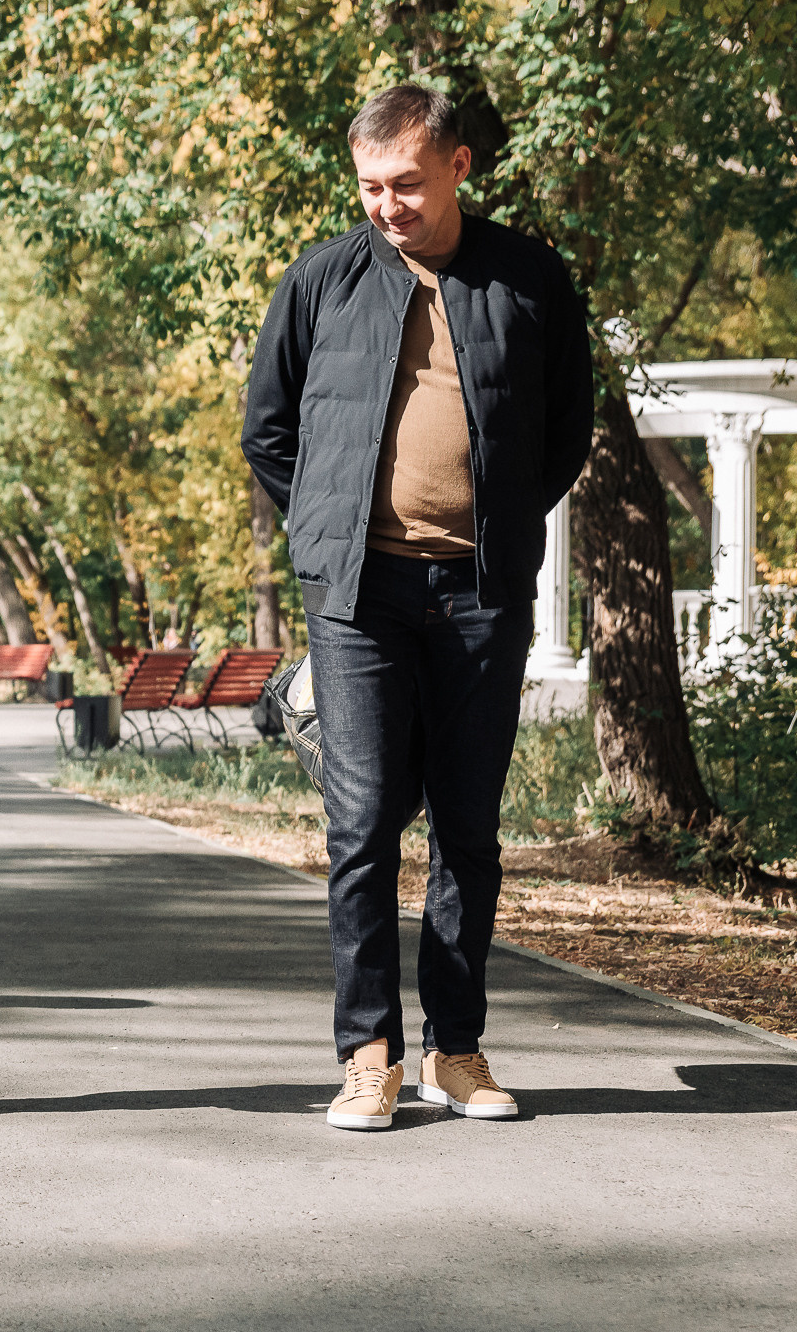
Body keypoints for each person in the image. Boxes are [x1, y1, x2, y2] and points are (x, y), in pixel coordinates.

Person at [241, 86, 593, 1130]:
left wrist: (500, 529)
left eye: (404, 183)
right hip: (358, 597)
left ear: (458, 168)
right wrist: (323, 534)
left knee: (468, 831)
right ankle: (368, 1055)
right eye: (368, 187)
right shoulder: (322, 280)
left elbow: (564, 427)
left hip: (480, 592)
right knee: (359, 828)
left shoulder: (527, 277)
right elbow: (270, 430)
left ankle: (457, 1050)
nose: (385, 205)